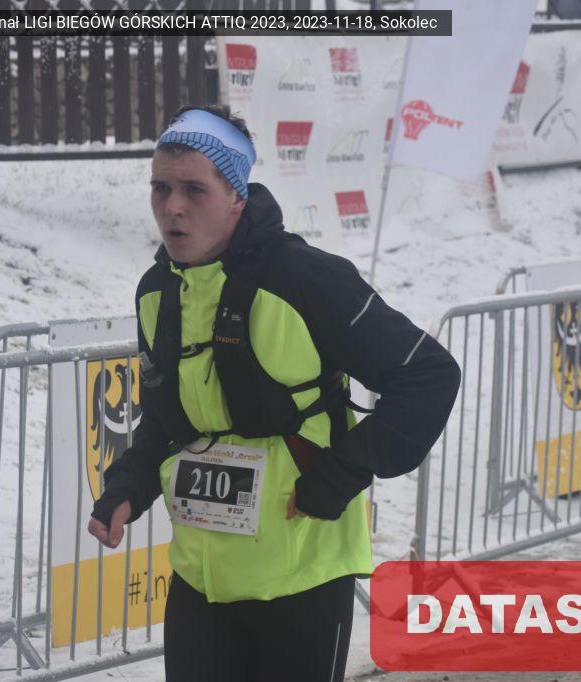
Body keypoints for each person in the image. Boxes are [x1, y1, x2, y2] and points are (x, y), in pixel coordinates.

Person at [88, 104, 460, 681]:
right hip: (201, 575)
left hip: (301, 571)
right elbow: (166, 416)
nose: (172, 207)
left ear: (236, 197)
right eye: (160, 188)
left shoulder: (306, 277)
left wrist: (340, 476)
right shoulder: (157, 290)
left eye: (194, 190)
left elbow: (429, 374)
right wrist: (128, 487)